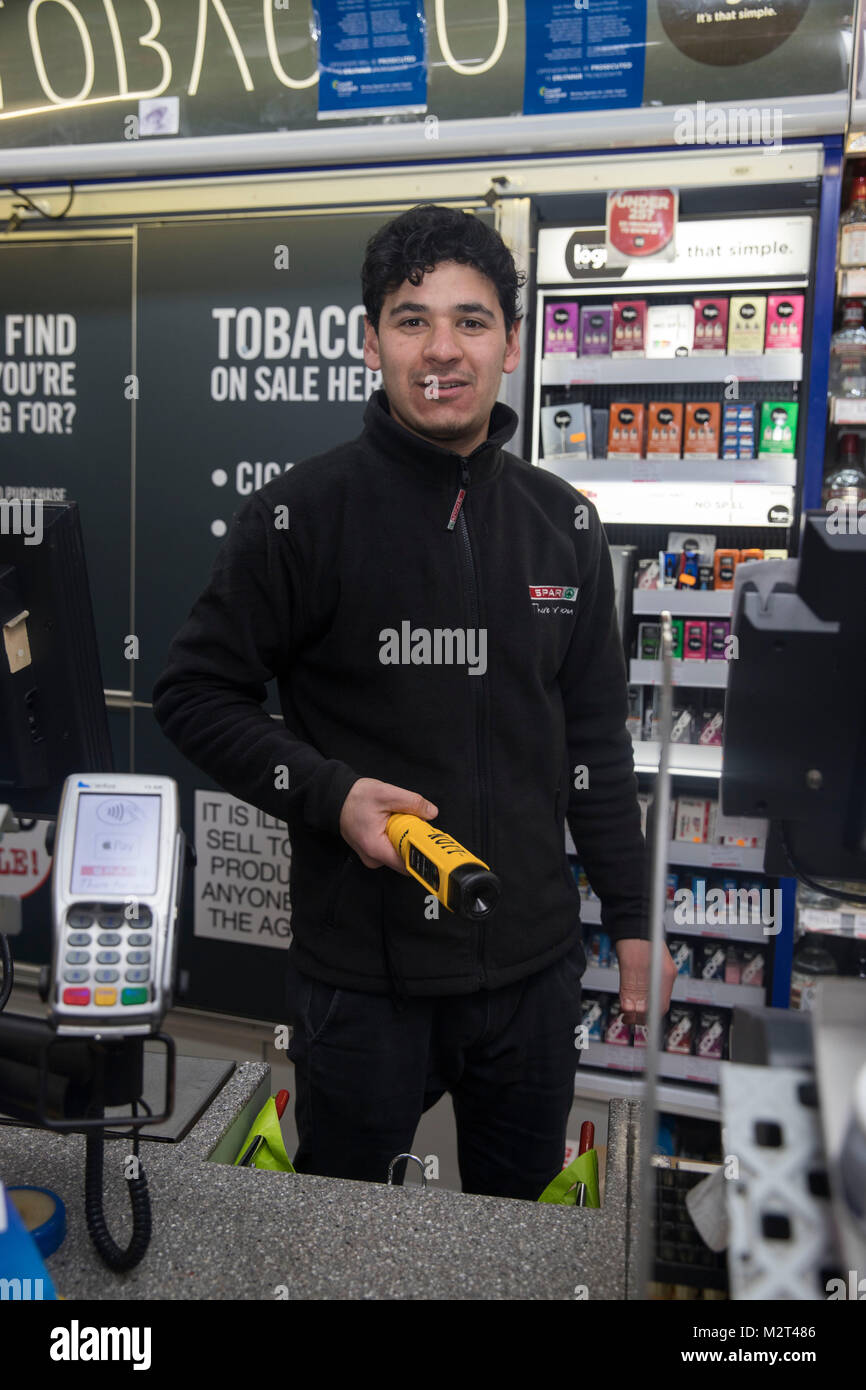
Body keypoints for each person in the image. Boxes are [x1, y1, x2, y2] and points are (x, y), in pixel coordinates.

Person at [152, 203, 676, 1199]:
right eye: (410, 319)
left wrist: (634, 916)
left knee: (518, 1232)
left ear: (511, 344)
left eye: (471, 321)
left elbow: (596, 744)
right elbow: (190, 692)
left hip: (529, 973)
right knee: (341, 1230)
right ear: (368, 342)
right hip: (363, 980)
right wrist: (328, 792)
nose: (441, 348)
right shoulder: (296, 517)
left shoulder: (563, 525)